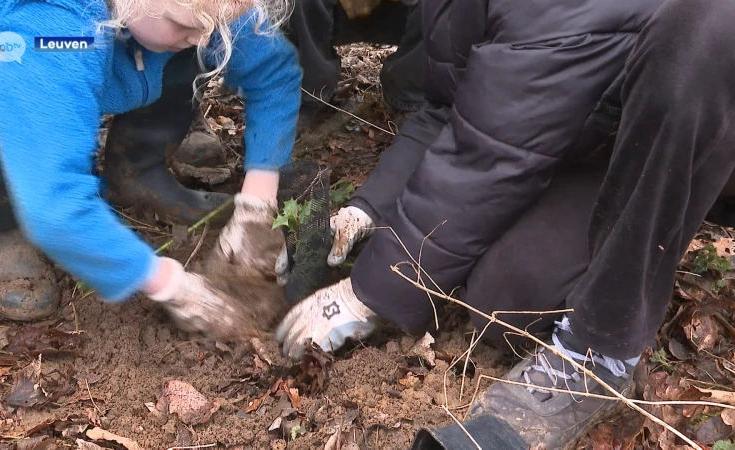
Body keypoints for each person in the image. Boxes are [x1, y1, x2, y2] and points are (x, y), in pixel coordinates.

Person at [275, 0, 735, 447]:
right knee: (506, 302)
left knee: (710, 20)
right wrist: (368, 208)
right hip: (603, 140)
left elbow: (492, 152)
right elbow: (446, 111)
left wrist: (367, 292)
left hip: (700, 122)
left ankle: (600, 352)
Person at [0, 0, 299, 334]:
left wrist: (257, 206)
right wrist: (170, 284)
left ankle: (136, 171)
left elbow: (273, 72)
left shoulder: (199, 7)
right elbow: (53, 204)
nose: (203, 34)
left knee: (195, 41)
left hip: (91, 40)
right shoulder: (57, 19)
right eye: (182, 23)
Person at [284, 0, 426, 125]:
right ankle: (310, 95)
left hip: (407, 16)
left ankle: (410, 101)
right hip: (330, 14)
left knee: (437, 7)